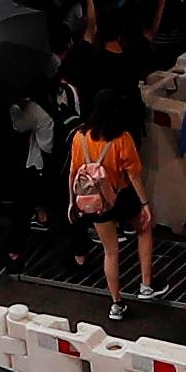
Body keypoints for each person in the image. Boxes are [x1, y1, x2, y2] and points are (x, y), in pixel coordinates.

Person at [68, 99, 157, 310]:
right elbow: (134, 175)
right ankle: (146, 285)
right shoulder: (122, 138)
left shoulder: (80, 137)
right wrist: (144, 203)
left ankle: (116, 303)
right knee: (143, 229)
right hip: (122, 196)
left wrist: (72, 202)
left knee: (110, 252)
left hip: (94, 200)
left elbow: (73, 172)